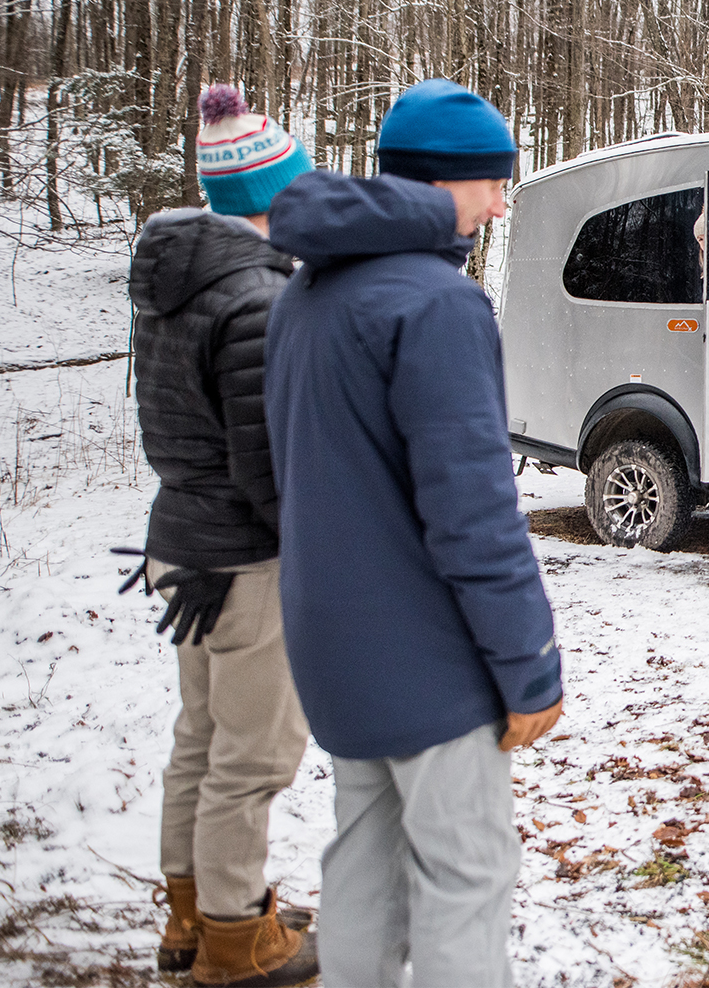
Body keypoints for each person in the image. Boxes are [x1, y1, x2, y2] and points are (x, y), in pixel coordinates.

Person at [263, 78, 563, 987]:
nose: (501, 202)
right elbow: (473, 517)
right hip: (425, 658)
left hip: (331, 646)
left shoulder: (306, 296)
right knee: (467, 876)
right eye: (490, 182)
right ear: (440, 184)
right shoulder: (433, 303)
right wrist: (530, 667)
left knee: (365, 865)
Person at [127, 84, 318, 987]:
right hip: (242, 560)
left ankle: (189, 914)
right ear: (269, 198)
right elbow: (266, 465)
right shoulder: (254, 298)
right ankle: (239, 943)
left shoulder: (174, 280)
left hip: (181, 543)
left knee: (200, 740)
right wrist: (314, 555)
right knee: (253, 757)